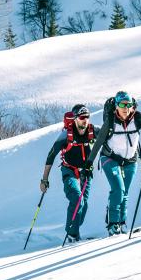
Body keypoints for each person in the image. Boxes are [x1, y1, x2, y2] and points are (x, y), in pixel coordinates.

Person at [91, 91, 141, 235]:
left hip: (130, 160)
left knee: (125, 192)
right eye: (122, 104)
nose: (125, 108)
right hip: (110, 158)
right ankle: (113, 224)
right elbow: (98, 143)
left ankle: (122, 223)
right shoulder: (110, 120)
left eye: (128, 105)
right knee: (118, 189)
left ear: (132, 106)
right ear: (116, 106)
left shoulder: (138, 118)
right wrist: (88, 163)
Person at [40, 103, 96, 243]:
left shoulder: (93, 130)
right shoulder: (66, 135)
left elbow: (108, 136)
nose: (85, 120)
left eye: (87, 117)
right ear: (76, 118)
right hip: (69, 170)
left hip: (86, 171)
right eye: (82, 117)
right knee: (77, 199)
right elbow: (50, 156)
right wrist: (44, 180)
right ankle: (72, 235)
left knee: (84, 204)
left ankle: (74, 230)